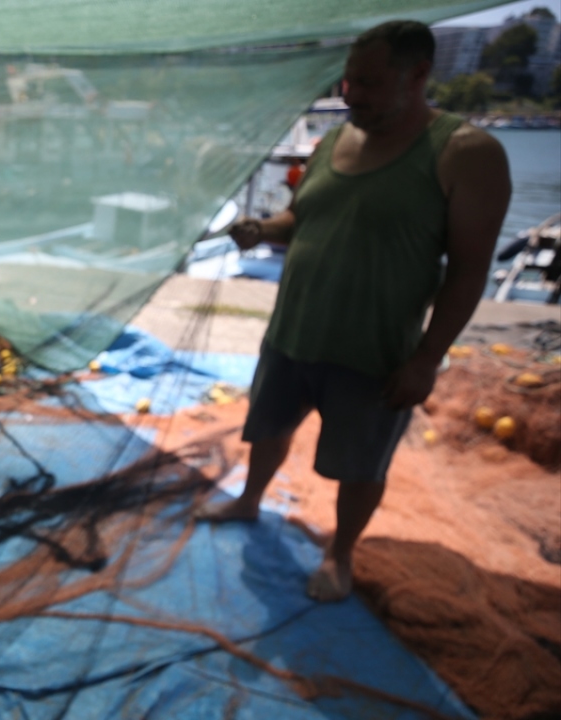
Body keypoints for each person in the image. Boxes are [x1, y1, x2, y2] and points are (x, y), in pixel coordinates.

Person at [195, 20, 511, 602]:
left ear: (417, 75)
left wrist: (427, 359)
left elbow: (469, 270)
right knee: (268, 429)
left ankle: (339, 555)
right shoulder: (332, 142)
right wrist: (264, 228)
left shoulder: (467, 154)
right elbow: (301, 217)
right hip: (291, 333)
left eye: (368, 83)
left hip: (375, 352)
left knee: (360, 465)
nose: (350, 95)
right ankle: (249, 501)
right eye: (348, 81)